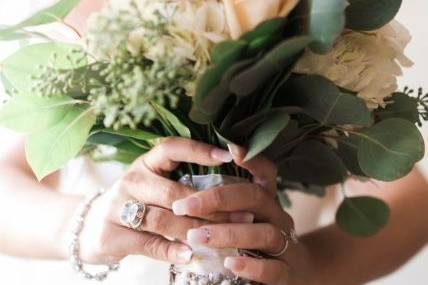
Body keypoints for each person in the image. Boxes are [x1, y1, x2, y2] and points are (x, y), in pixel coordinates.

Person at [0, 1, 428, 284]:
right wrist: (85, 225)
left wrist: (313, 267)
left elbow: (413, 199)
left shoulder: (306, 19)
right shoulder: (97, 13)